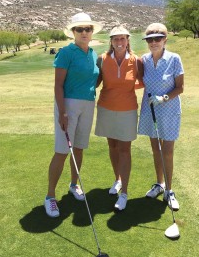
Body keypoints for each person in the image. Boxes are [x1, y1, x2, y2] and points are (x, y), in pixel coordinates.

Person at [44, 12, 103, 217]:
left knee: (78, 148)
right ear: (73, 32)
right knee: (62, 150)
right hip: (68, 105)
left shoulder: (94, 54)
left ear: (92, 31)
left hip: (88, 104)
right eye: (80, 29)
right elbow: (58, 85)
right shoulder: (66, 52)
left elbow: (95, 78)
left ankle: (73, 184)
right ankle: (50, 197)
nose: (84, 32)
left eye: (88, 29)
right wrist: (62, 112)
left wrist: (90, 91)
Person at [95, 25, 144, 211]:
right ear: (111, 41)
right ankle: (117, 179)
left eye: (123, 38)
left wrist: (128, 88)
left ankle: (124, 192)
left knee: (125, 149)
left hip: (127, 110)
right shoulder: (102, 59)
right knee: (112, 146)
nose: (119, 42)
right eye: (116, 39)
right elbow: (96, 81)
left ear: (128, 40)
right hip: (106, 108)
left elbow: (144, 82)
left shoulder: (136, 61)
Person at [138, 23, 184, 211]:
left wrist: (163, 97)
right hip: (151, 110)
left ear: (165, 40)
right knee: (156, 149)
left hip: (170, 108)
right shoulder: (144, 60)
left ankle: (169, 191)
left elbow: (180, 87)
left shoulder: (174, 59)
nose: (154, 42)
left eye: (158, 38)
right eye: (150, 39)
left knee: (168, 151)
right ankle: (159, 184)